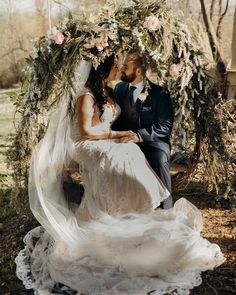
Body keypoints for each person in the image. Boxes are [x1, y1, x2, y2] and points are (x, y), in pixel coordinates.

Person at [15, 55, 225, 295]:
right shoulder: (86, 95)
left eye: (121, 66)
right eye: (116, 66)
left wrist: (125, 136)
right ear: (104, 70)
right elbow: (85, 131)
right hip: (87, 143)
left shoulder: (112, 91)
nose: (119, 69)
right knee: (118, 156)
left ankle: (135, 210)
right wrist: (114, 135)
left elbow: (159, 126)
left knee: (130, 152)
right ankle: (114, 210)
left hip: (117, 138)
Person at [112, 52, 174, 209]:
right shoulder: (119, 89)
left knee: (159, 159)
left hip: (153, 142)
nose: (121, 70)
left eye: (126, 67)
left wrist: (140, 136)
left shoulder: (160, 94)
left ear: (138, 71)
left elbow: (164, 126)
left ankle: (165, 208)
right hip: (125, 141)